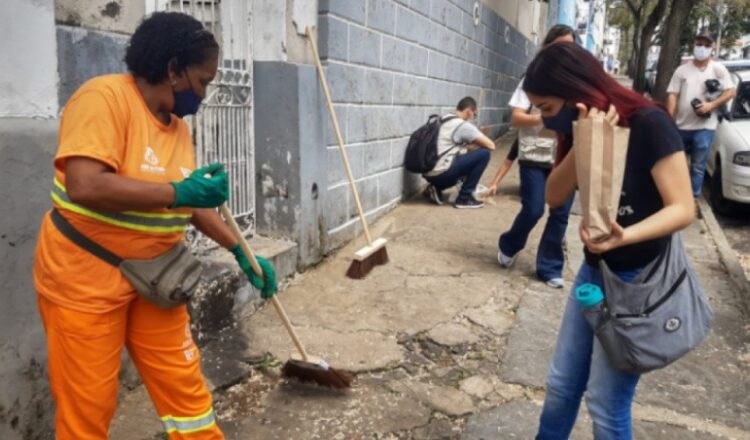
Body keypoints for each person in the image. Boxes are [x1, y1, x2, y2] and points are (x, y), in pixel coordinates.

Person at [33, 12, 276, 439]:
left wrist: (242, 252)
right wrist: (179, 193)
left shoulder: (178, 128)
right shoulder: (103, 99)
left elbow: (193, 202)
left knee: (185, 389)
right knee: (88, 405)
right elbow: (84, 185)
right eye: (202, 81)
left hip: (155, 279)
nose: (203, 93)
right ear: (172, 70)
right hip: (85, 281)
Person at [523, 42, 694, 438]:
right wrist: (585, 140)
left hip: (639, 283)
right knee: (562, 385)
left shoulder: (650, 122)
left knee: (606, 401)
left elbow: (682, 208)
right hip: (593, 272)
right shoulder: (585, 130)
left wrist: (624, 236)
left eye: (548, 108)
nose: (547, 121)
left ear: (574, 89)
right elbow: (553, 195)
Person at [493, 24, 577, 289]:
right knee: (533, 209)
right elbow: (516, 118)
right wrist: (547, 115)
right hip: (533, 155)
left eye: (570, 46)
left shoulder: (577, 83)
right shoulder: (531, 79)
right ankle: (509, 244)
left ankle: (550, 267)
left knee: (560, 213)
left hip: (565, 157)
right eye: (559, 46)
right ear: (547, 47)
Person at [666, 33, 735, 200]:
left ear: (712, 48)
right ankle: (676, 197)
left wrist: (711, 105)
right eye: (699, 44)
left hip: (705, 128)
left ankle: (692, 197)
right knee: (677, 164)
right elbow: (672, 94)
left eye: (706, 45)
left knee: (698, 166)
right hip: (682, 126)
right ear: (694, 44)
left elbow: (731, 91)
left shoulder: (718, 69)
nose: (702, 48)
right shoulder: (682, 70)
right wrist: (668, 119)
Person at [422, 97, 496, 209]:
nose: (473, 118)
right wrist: (478, 142)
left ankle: (436, 187)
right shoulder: (462, 125)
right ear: (468, 111)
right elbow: (491, 145)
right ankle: (464, 198)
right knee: (484, 154)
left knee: (464, 157)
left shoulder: (443, 119)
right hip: (442, 173)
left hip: (428, 173)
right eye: (474, 114)